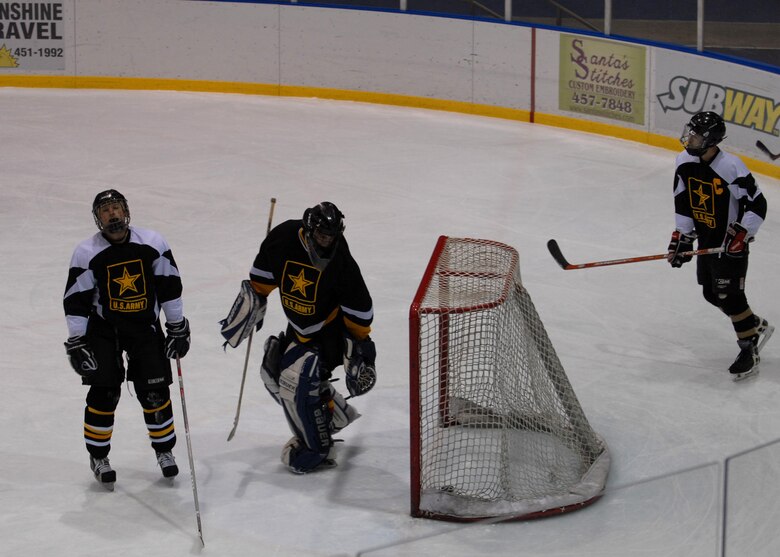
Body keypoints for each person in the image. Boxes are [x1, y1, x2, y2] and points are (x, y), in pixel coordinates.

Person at [220, 201, 376, 474]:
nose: (326, 242)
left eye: (331, 237)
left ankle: (315, 449)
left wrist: (363, 351)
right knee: (271, 372)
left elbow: (360, 310)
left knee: (297, 378)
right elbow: (262, 281)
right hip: (298, 329)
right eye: (321, 236)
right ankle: (332, 414)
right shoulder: (282, 239)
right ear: (309, 230)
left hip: (328, 334)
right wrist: (253, 301)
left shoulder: (341, 260)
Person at [63, 189, 191, 489]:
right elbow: (77, 299)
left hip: (144, 328)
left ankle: (165, 451)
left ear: (126, 211)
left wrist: (177, 326)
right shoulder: (86, 252)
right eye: (106, 211)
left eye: (116, 208)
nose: (113, 215)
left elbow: (169, 286)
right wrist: (77, 340)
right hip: (104, 331)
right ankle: (98, 456)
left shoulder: (153, 243)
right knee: (104, 393)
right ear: (98, 218)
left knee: (155, 393)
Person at [667, 111, 773, 380]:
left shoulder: (731, 167)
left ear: (710, 140)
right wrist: (683, 237)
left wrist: (741, 234)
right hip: (706, 240)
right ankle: (752, 324)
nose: (689, 137)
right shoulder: (684, 162)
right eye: (690, 132)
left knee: (729, 295)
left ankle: (749, 349)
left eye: (696, 134)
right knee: (711, 294)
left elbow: (757, 204)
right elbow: (683, 202)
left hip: (730, 244)